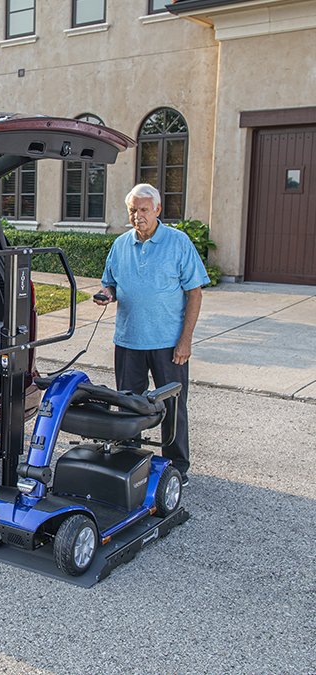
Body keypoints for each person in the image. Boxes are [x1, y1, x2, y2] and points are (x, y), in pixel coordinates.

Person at [94, 184, 209, 487]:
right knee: (128, 405)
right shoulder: (120, 244)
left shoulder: (178, 243)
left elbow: (194, 293)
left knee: (173, 405)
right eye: (133, 210)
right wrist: (106, 294)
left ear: (158, 210)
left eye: (144, 209)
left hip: (168, 344)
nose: (137, 215)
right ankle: (128, 461)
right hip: (129, 340)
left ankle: (177, 467)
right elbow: (111, 283)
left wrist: (185, 341)